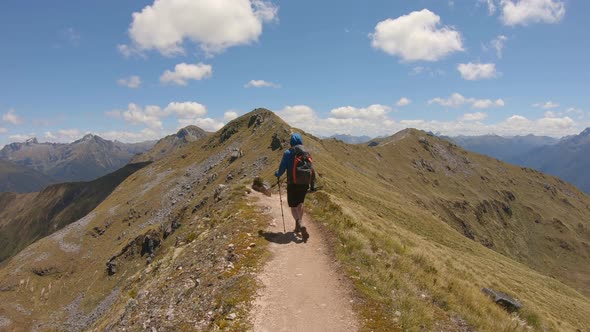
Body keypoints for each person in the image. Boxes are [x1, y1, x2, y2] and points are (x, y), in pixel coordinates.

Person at [275, 133, 312, 238]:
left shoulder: (288, 153)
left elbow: (282, 169)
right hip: (304, 183)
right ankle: (298, 226)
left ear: (291, 142)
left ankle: (299, 223)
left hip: (293, 183)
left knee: (293, 206)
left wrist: (277, 174)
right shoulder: (306, 152)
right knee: (300, 203)